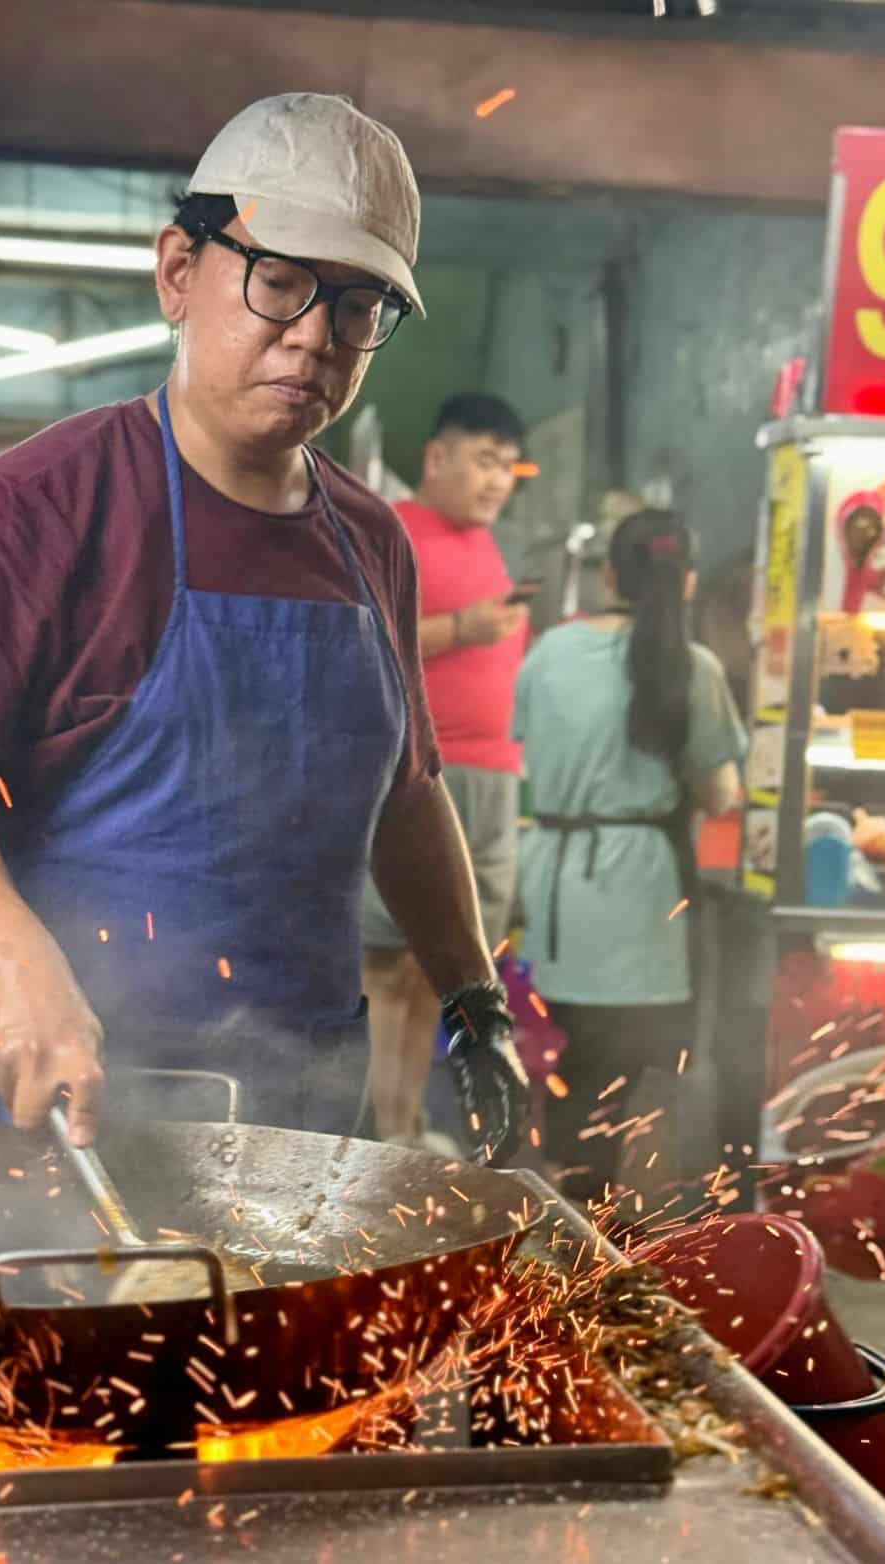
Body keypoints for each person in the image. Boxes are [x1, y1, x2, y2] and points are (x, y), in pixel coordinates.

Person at [0, 93, 527, 1158]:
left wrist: (474, 997)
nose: (314, 335)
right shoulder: (40, 505)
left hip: (301, 1086)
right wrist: (9, 960)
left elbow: (408, 795)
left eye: (358, 307)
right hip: (65, 1094)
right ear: (180, 270)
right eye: (280, 281)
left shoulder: (372, 540)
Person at [512, 508, 745, 1202]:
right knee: (647, 1085)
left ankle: (550, 1241)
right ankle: (630, 1247)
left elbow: (527, 749)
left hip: (556, 891)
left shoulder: (550, 651)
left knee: (559, 1074)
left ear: (608, 575)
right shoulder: (692, 668)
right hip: (646, 899)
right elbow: (720, 794)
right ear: (689, 581)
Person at [361, 393, 531, 1150]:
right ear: (438, 458)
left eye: (508, 467)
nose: (498, 481)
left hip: (494, 778)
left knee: (448, 971)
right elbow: (365, 641)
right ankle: (377, 1133)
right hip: (420, 775)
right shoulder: (396, 529)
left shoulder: (485, 544)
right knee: (386, 965)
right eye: (484, 461)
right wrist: (465, 628)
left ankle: (411, 1128)